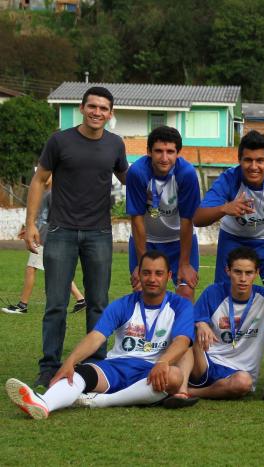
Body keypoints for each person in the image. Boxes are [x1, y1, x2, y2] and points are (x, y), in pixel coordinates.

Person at [5, 251, 195, 419]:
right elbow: (97, 336)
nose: (152, 279)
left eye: (158, 273)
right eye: (146, 273)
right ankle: (43, 403)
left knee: (175, 377)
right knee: (80, 373)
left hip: (151, 370)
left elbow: (182, 340)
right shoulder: (123, 304)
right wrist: (70, 361)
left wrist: (163, 362)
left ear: (168, 276)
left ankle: (101, 401)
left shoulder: (180, 306)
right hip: (116, 366)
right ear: (139, 275)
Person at [24, 86, 128, 388]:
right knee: (56, 304)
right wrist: (31, 222)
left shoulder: (115, 145)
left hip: (99, 233)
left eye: (104, 108)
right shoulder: (60, 141)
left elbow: (129, 179)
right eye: (92, 106)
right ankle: (49, 367)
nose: (97, 112)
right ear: (82, 108)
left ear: (110, 114)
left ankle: (95, 364)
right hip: (60, 232)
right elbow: (39, 179)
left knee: (98, 302)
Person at [193, 130, 264, 287]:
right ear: (239, 160)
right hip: (234, 239)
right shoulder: (228, 180)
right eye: (248, 160)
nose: (254, 167)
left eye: (260, 160)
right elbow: (198, 218)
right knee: (225, 293)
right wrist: (225, 208)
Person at [176, 247, 264, 400]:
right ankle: (180, 392)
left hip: (239, 373)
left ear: (257, 273)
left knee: (243, 383)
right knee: (187, 336)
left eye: (248, 273)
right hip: (205, 363)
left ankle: (192, 392)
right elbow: (187, 319)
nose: (243, 279)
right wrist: (200, 323)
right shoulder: (214, 292)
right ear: (228, 271)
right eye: (237, 272)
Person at [126, 126, 201, 301]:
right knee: (142, 292)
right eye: (159, 151)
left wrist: (184, 264)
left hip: (178, 240)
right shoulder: (137, 173)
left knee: (185, 291)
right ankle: (147, 329)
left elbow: (187, 220)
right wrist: (141, 262)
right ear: (149, 152)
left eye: (170, 151)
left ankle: (182, 329)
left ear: (178, 153)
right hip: (146, 241)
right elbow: (136, 220)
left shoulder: (187, 174)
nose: (164, 158)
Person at [2, 176, 85, 315]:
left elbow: (46, 219)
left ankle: (22, 305)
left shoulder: (51, 193)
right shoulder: (54, 193)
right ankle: (80, 299)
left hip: (44, 238)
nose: (45, 177)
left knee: (31, 268)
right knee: (58, 270)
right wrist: (29, 228)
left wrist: (33, 232)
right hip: (49, 236)